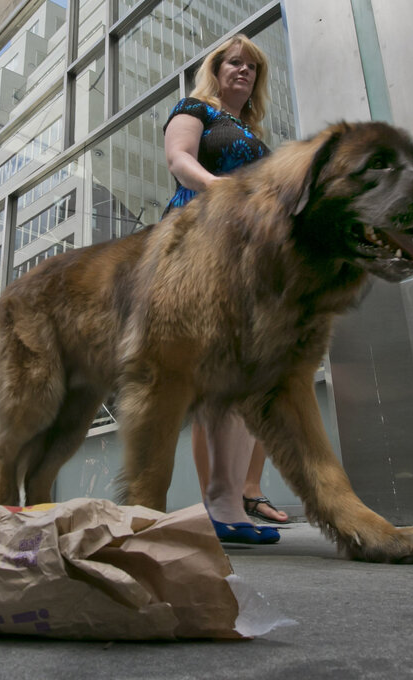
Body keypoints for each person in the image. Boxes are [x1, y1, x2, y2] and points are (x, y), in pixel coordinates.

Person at [162, 34, 285, 544]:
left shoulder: (254, 132)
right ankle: (219, 503)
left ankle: (231, 503)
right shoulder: (195, 109)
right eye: (233, 62)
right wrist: (224, 189)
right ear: (215, 69)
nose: (242, 71)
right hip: (197, 235)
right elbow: (179, 159)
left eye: (251, 67)